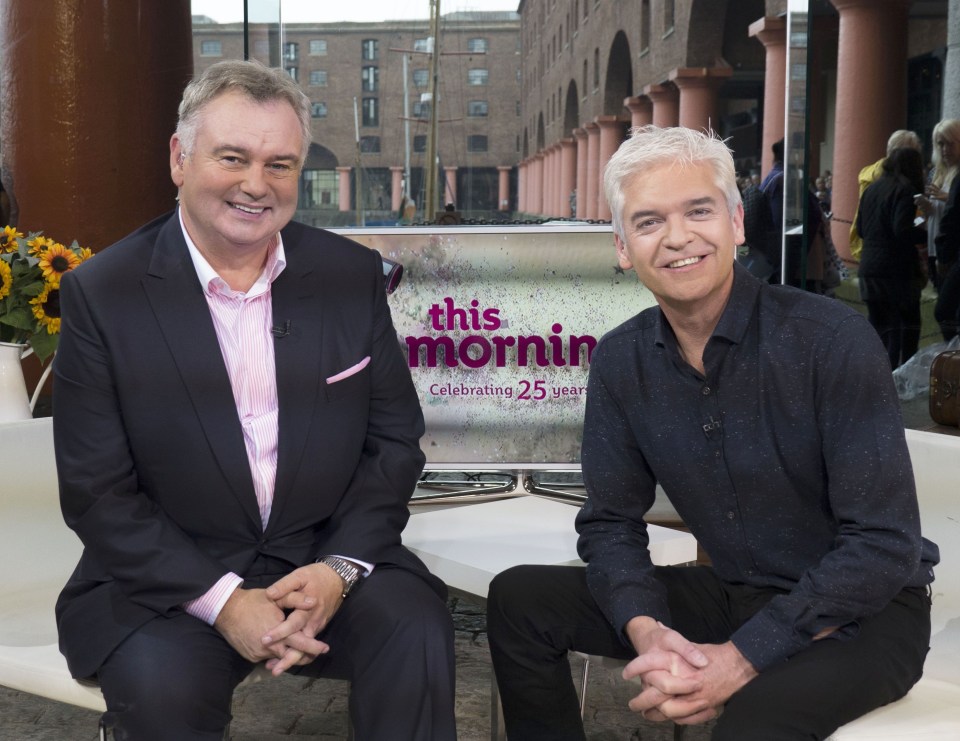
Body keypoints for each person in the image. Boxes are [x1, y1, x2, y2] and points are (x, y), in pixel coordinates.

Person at [487, 126, 938, 741]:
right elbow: (609, 523)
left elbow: (883, 545)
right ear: (623, 248)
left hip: (867, 612)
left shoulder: (830, 341)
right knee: (521, 600)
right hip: (736, 590)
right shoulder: (621, 362)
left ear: (735, 223)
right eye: (648, 223)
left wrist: (739, 659)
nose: (677, 238)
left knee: (754, 721)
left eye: (698, 211)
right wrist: (648, 630)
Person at [53, 60, 456, 741]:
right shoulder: (104, 292)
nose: (255, 184)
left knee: (415, 629)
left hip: (322, 555)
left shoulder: (349, 276)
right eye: (232, 157)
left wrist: (336, 570)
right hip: (172, 577)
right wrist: (224, 602)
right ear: (180, 158)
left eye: (280, 164)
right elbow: (97, 489)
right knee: (161, 694)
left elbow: (392, 442)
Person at [856, 147, 928, 369]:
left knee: (878, 328)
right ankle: (898, 378)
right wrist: (923, 223)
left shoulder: (872, 189)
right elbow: (903, 229)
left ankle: (872, 377)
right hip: (896, 272)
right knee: (900, 330)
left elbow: (860, 229)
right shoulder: (905, 191)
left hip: (869, 268)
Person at [849, 129, 923, 261]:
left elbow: (861, 226)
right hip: (893, 261)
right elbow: (902, 230)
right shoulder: (903, 187)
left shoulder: (870, 180)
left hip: (868, 255)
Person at [918, 119, 960, 291]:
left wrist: (948, 198)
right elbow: (934, 215)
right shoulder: (937, 172)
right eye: (940, 144)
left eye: (950, 143)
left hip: (954, 252)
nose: (944, 150)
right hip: (936, 248)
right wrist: (927, 208)